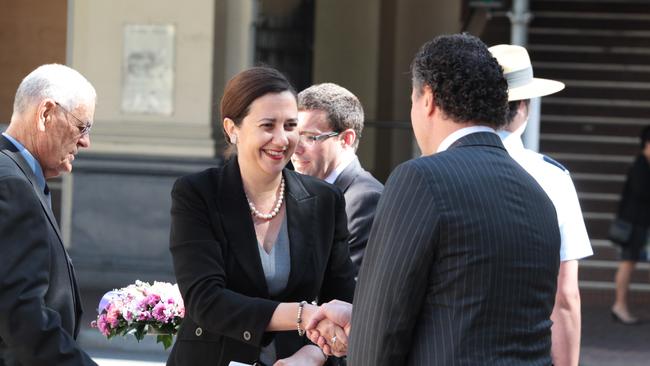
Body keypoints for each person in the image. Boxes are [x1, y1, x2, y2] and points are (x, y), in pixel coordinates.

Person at [307, 33, 562, 365]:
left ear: (426, 98)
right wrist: (360, 320)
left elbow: (382, 331)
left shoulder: (420, 179)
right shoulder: (537, 193)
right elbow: (471, 314)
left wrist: (365, 328)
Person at [166, 67, 355, 366]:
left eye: (291, 125)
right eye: (268, 125)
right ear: (232, 128)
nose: (282, 140)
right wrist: (303, 315)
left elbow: (343, 301)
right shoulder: (198, 193)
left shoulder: (325, 200)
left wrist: (312, 354)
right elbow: (206, 301)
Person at [489, 44, 593, 366]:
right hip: (526, 352)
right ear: (525, 106)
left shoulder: (436, 169)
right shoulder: (552, 178)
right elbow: (564, 295)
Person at [0, 64, 97, 365]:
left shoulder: (17, 175)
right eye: (82, 126)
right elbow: (20, 314)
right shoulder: (12, 184)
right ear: (46, 114)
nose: (85, 141)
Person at [291, 83, 383, 274]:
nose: (296, 149)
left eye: (310, 137)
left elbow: (348, 291)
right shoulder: (293, 191)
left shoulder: (365, 199)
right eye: (293, 135)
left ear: (346, 139)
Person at [611, 125, 650, 324]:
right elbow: (643, 194)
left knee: (628, 264)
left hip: (635, 225)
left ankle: (620, 306)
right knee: (627, 264)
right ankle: (619, 305)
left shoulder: (643, 164)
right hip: (633, 226)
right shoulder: (641, 166)